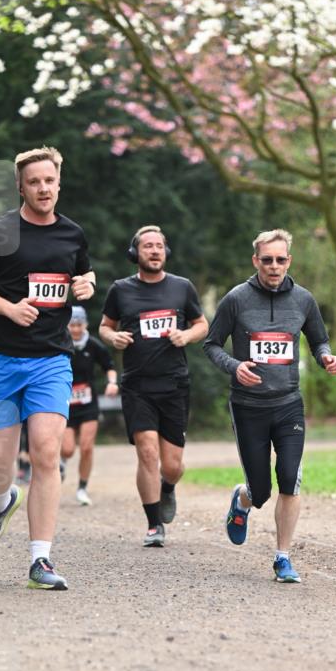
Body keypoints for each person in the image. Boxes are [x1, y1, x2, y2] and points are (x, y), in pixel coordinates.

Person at [0, 146, 95, 590]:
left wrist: (87, 283)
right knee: (0, 461)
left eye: (49, 180)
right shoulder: (0, 232)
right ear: (21, 186)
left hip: (51, 360)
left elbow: (84, 276)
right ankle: (2, 501)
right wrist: (8, 308)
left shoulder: (73, 234)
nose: (42, 188)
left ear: (59, 183)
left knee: (46, 453)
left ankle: (41, 560)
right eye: (33, 181)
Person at [204, 228, 336, 584]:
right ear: (256, 261)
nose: (274, 266)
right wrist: (236, 367)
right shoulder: (236, 299)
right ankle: (243, 499)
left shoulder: (304, 300)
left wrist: (326, 357)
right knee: (261, 491)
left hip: (288, 405)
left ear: (289, 261)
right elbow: (212, 345)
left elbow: (319, 340)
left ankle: (283, 557)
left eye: (281, 260)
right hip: (248, 406)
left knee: (290, 480)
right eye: (267, 260)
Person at [99, 225, 208, 547]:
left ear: (166, 252)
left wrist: (186, 335)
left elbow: (201, 324)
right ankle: (153, 525)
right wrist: (112, 337)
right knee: (147, 452)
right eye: (148, 246)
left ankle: (168, 487)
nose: (155, 250)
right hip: (137, 384)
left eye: (160, 245)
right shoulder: (120, 290)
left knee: (172, 466)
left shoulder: (182, 288)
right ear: (136, 253)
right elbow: (105, 326)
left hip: (174, 383)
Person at [61, 305, 118, 505]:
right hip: (65, 403)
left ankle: (82, 488)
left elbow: (109, 367)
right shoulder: (60, 343)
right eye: (72, 325)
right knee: (67, 449)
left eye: (79, 324)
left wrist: (112, 383)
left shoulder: (94, 345)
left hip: (88, 403)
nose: (76, 329)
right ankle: (61, 462)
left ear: (85, 324)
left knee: (86, 447)